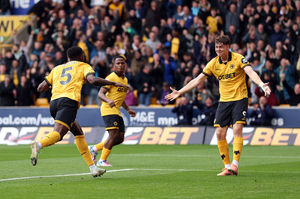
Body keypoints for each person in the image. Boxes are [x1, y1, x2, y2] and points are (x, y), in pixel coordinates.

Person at [165, 35, 271, 176]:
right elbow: (197, 80)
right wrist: (180, 92)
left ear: (228, 46)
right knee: (220, 133)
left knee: (237, 129)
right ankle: (227, 166)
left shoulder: (239, 58)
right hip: (224, 101)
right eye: (216, 47)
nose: (218, 49)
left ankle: (235, 164)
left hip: (240, 98)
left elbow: (250, 72)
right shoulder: (213, 63)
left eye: (221, 47)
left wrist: (262, 84)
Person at [30, 46, 128, 177]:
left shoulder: (57, 68)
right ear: (81, 56)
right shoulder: (83, 66)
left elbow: (40, 88)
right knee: (58, 134)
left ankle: (93, 168)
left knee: (79, 133)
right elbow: (93, 80)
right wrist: (113, 83)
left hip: (54, 103)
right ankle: (38, 145)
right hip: (68, 102)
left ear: (68, 57)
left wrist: (56, 84)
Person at [88, 55, 136, 167]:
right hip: (108, 109)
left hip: (117, 110)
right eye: (118, 63)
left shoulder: (125, 79)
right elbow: (100, 93)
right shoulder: (111, 78)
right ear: (113, 66)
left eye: (122, 63)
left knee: (120, 138)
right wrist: (108, 100)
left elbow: (121, 98)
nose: (120, 65)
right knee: (113, 135)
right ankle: (102, 160)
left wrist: (128, 109)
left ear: (126, 65)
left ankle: (94, 148)